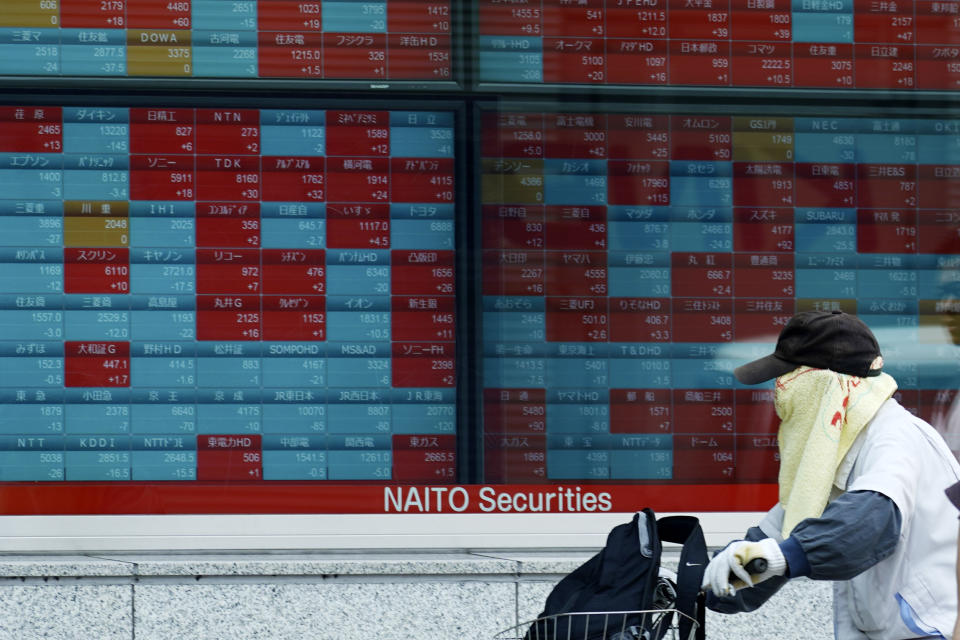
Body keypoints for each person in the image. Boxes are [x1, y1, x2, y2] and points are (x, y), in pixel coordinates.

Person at [702, 310, 960, 639]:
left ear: (828, 383)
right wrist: (708, 580)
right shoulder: (835, 450)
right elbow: (782, 531)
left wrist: (779, 557)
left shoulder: (895, 438)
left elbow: (866, 522)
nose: (779, 394)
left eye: (788, 378)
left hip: (930, 629)